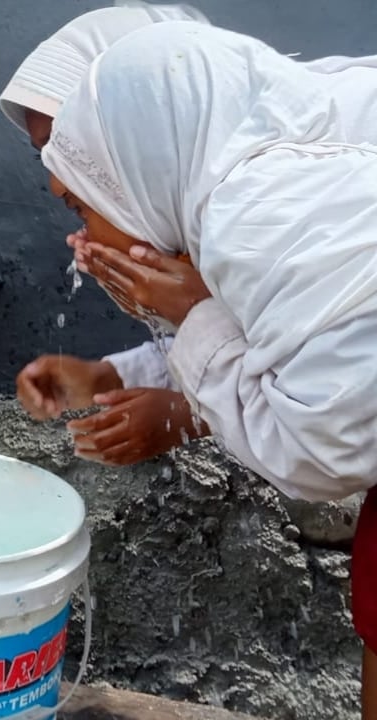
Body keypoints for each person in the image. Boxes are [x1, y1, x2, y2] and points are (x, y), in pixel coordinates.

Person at [29, 19, 377, 718]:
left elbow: (323, 446)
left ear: (140, 153)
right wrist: (117, 374)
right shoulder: (271, 174)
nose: (82, 238)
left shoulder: (254, 214)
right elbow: (286, 332)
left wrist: (191, 342)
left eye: (83, 197)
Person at [1, 1, 377, 467]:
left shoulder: (262, 208)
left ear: (145, 124)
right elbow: (266, 328)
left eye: (76, 146)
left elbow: (329, 431)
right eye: (50, 154)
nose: (61, 173)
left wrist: (190, 411)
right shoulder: (239, 188)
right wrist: (113, 376)